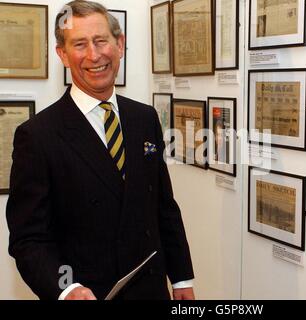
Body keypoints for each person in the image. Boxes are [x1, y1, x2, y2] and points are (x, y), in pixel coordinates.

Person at [6, 0, 194, 300]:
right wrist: (66, 289)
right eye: (79, 44)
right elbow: (28, 239)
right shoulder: (38, 135)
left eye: (101, 41)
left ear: (119, 44)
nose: (94, 55)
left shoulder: (145, 118)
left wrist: (182, 278)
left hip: (151, 290)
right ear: (63, 55)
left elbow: (163, 206)